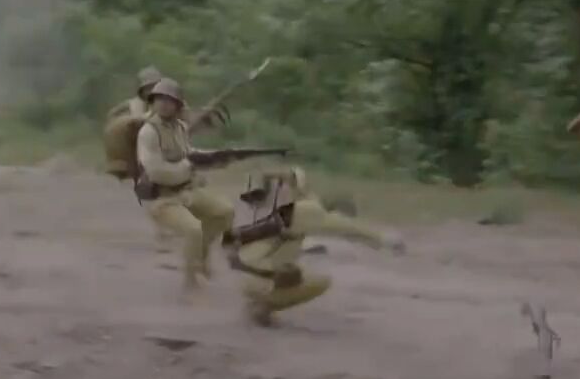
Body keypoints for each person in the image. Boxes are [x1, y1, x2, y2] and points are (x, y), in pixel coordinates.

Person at [225, 166, 404, 326]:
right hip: (255, 272)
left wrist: (266, 175)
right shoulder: (316, 213)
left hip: (245, 266)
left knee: (292, 266)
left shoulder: (305, 202)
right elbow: (353, 230)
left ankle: (259, 299)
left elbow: (295, 175)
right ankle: (263, 305)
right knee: (320, 282)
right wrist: (386, 240)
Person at [134, 78, 239, 299]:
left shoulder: (180, 128)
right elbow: (155, 170)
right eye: (159, 99)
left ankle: (200, 256)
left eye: (169, 100)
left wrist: (214, 159)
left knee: (225, 212)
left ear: (178, 105)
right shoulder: (148, 132)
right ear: (152, 102)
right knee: (193, 230)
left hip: (187, 192)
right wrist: (189, 166)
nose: (163, 104)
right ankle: (190, 282)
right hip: (162, 198)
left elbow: (187, 153)